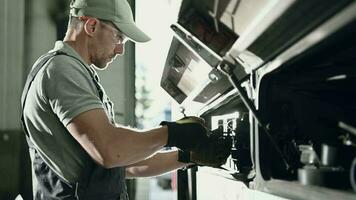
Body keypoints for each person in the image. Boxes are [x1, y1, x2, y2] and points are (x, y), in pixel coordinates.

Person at [21, 0, 230, 199]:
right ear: (92, 26)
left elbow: (123, 164)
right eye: (119, 37)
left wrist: (188, 157)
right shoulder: (62, 71)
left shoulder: (77, 73)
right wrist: (173, 133)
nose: (121, 50)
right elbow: (112, 152)